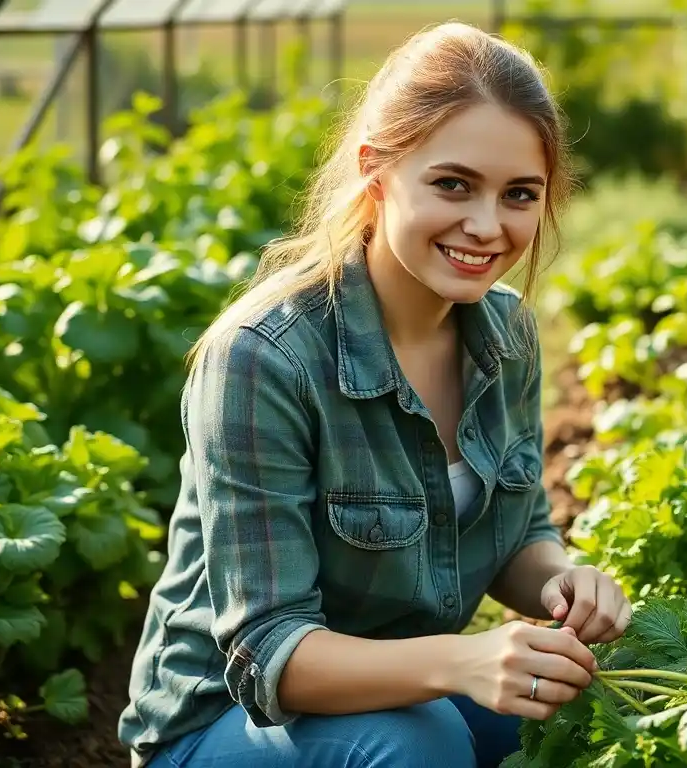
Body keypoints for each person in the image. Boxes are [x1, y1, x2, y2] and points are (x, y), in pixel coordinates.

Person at [116, 21, 633, 768]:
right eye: (453, 184)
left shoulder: (506, 333)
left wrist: (566, 581)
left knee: (585, 704)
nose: (487, 226)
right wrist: (464, 663)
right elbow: (270, 654)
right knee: (422, 743)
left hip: (402, 689)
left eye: (520, 194)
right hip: (218, 722)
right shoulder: (265, 360)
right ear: (376, 172)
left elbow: (519, 534)